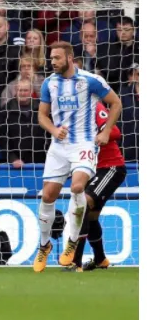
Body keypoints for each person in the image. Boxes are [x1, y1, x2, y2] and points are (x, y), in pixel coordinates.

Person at [33, 41, 122, 272]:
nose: (52, 62)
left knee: (78, 187)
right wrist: (53, 130)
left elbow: (116, 103)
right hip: (59, 146)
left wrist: (104, 131)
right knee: (48, 195)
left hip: (83, 144)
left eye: (57, 58)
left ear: (70, 58)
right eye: (51, 58)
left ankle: (72, 242)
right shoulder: (49, 83)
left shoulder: (90, 81)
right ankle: (44, 246)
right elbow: (42, 116)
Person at [67, 102, 127, 271]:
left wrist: (93, 138)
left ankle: (75, 261)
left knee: (83, 203)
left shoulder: (94, 106)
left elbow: (114, 132)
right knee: (91, 216)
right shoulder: (66, 114)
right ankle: (100, 259)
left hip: (110, 167)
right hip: (89, 169)